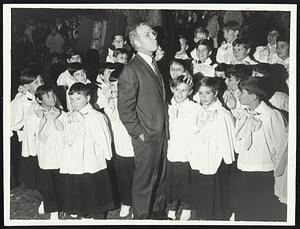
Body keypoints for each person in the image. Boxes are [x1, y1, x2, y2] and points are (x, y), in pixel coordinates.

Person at [117, 23, 168, 219]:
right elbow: (125, 109)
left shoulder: (153, 63)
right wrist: (139, 133)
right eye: (147, 35)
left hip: (160, 132)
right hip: (146, 135)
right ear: (137, 43)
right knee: (144, 179)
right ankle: (140, 216)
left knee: (160, 175)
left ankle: (156, 211)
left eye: (153, 33)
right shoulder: (131, 70)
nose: (154, 37)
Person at [232, 77, 288, 221]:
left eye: (242, 92)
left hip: (264, 172)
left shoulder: (272, 115)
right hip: (244, 168)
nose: (238, 95)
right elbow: (238, 145)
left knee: (260, 211)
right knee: (244, 209)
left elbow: (281, 147)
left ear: (253, 96)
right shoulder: (244, 114)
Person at [59, 82, 115, 219]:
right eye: (71, 99)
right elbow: (68, 139)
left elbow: (104, 137)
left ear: (88, 98)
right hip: (75, 161)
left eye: (78, 99)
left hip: (92, 160)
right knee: (79, 187)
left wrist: (107, 155)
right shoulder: (70, 116)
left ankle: (96, 214)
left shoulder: (96, 116)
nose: (74, 102)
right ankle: (83, 212)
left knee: (93, 188)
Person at [188, 77, 235, 220]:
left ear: (215, 93)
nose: (204, 97)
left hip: (217, 159)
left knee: (216, 193)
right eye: (201, 93)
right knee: (203, 190)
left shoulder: (222, 114)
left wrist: (225, 159)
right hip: (202, 157)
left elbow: (228, 139)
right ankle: (205, 215)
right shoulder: (199, 111)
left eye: (208, 93)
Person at [104, 68, 135, 218]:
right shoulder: (110, 103)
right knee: (123, 177)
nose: (115, 89)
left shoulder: (134, 101)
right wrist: (109, 103)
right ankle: (126, 202)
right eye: (112, 86)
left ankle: (137, 203)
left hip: (135, 147)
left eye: (118, 85)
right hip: (119, 147)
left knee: (137, 177)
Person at [166, 75, 198, 220]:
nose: (180, 93)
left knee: (186, 180)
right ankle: (172, 205)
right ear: (172, 89)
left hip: (187, 150)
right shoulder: (167, 106)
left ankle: (187, 206)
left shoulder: (194, 108)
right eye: (177, 89)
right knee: (172, 179)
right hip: (171, 150)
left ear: (190, 92)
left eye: (184, 90)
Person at [33, 84, 65, 219]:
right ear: (39, 100)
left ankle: (66, 206)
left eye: (53, 94)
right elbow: (39, 136)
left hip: (61, 154)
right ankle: (53, 210)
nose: (51, 97)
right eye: (47, 95)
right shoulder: (36, 115)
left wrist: (56, 117)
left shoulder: (62, 113)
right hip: (46, 155)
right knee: (48, 184)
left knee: (63, 182)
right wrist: (45, 118)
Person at [11, 68, 44, 190]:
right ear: (26, 86)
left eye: (41, 81)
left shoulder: (46, 94)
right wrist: (28, 125)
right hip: (30, 138)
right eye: (36, 82)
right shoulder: (20, 100)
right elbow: (11, 121)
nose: (40, 84)